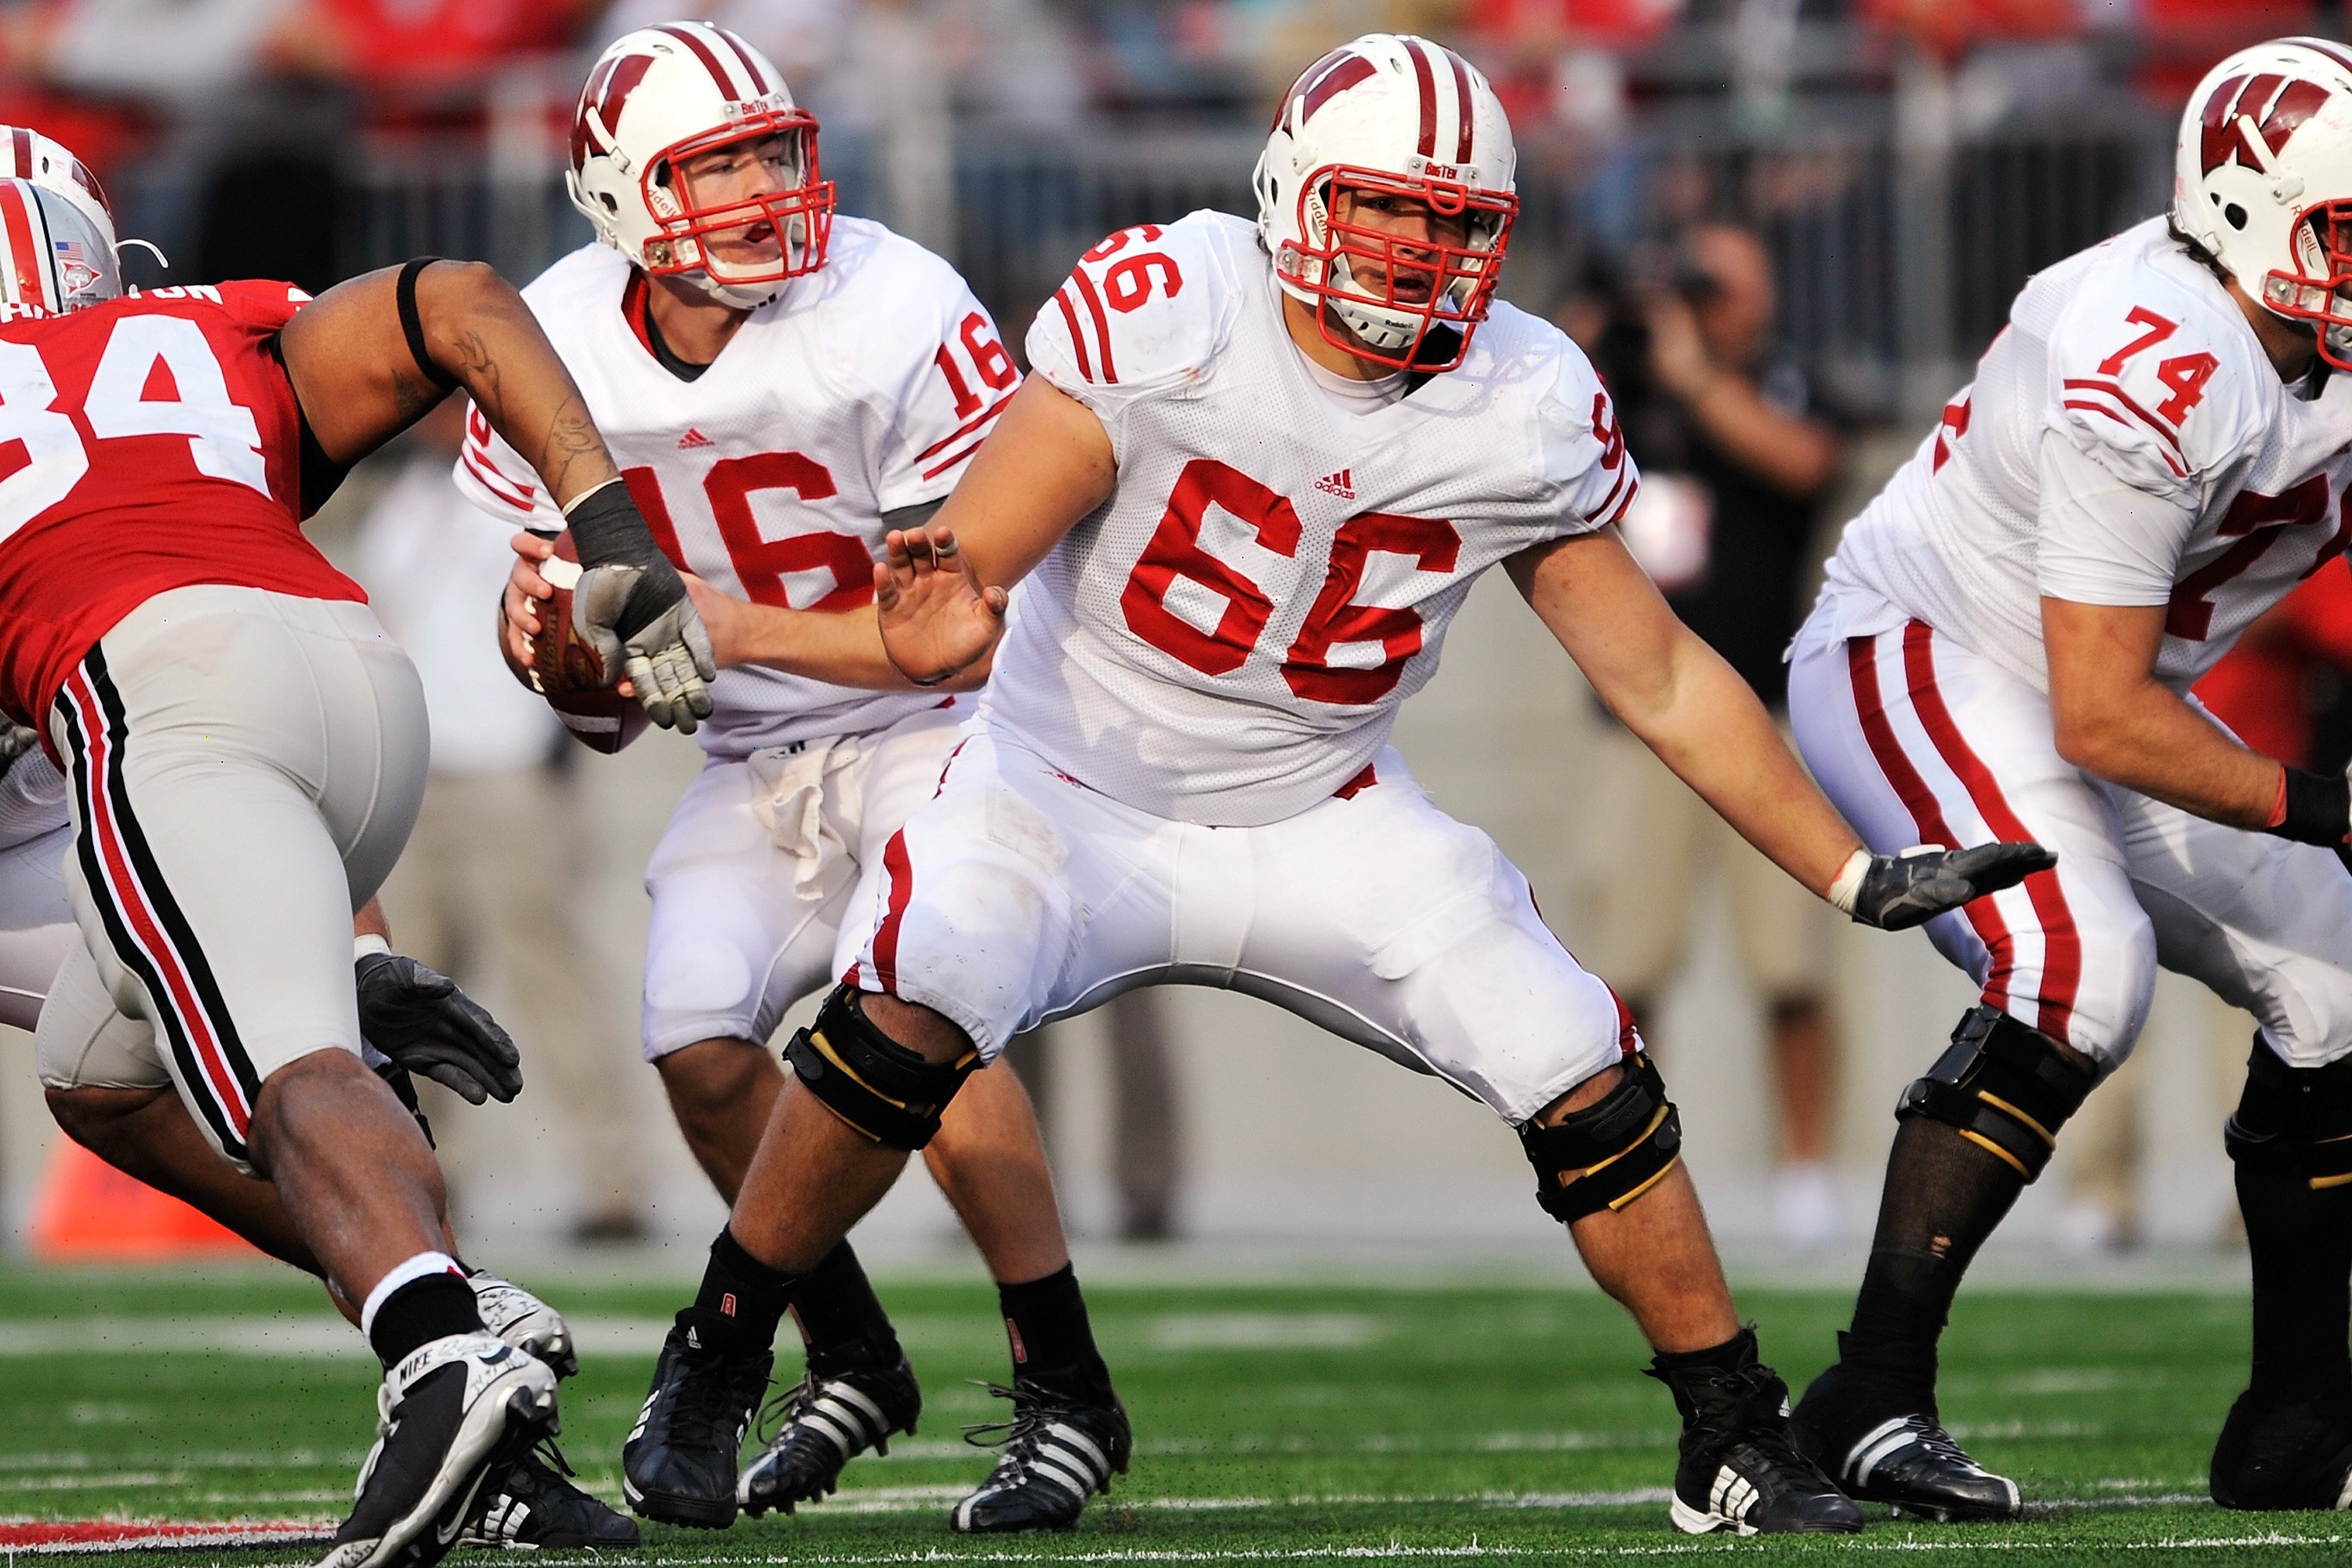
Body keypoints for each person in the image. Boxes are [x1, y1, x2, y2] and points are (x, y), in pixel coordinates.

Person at [630, 33, 2049, 1537]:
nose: (1424, 251)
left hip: (1326, 808)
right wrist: (942, 605)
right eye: (1388, 208)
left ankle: (1732, 1432)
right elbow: (969, 563)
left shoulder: (1525, 395)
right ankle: (714, 1361)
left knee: (1571, 1044)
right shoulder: (1171, 303)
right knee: (916, 981)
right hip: (1064, 784)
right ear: (1295, 193)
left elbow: (1665, 676)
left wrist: (1847, 870)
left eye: (1458, 224)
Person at [0, 155, 709, 1561]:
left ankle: (441, 1352)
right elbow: (459, 299)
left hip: (151, 703)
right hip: (354, 688)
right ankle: (452, 1320)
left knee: (284, 1070)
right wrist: (608, 527)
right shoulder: (210, 326)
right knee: (101, 1074)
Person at [477, 21, 1119, 1534]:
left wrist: (715, 629)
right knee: (697, 1043)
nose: (767, 190)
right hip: (757, 744)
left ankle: (1066, 1384)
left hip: (948, 728)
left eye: (777, 151)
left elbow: (957, 639)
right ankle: (851, 1355)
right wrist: (572, 659)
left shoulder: (888, 305)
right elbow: (588, 694)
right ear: (622, 195)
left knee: (928, 1000)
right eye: (718, 165)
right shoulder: (549, 335)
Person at [1782, 34, 2352, 1522]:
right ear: (2239, 211)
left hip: (2105, 687)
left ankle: (2304, 1415)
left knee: (2344, 975)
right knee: (2077, 970)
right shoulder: (2148, 348)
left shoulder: (2310, 338)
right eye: (2346, 230)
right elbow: (2098, 718)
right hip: (1926, 649)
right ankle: (1872, 1390)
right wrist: (2330, 800)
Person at [1566, 223, 1850, 1248]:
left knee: (1790, 968)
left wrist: (1694, 379)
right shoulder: (1624, 385)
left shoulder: (1783, 383)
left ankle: (1807, 1169)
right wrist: (1599, 342)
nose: (1704, 301)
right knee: (1628, 966)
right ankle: (1637, 1161)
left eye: (1719, 282)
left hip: (1764, 717)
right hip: (1636, 723)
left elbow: (1807, 463)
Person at [359, 397, 651, 1245]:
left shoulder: (536, 504)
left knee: (548, 967)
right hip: (421, 770)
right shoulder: (402, 503)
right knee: (411, 986)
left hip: (510, 766)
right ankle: (428, 1186)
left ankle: (613, 1176)